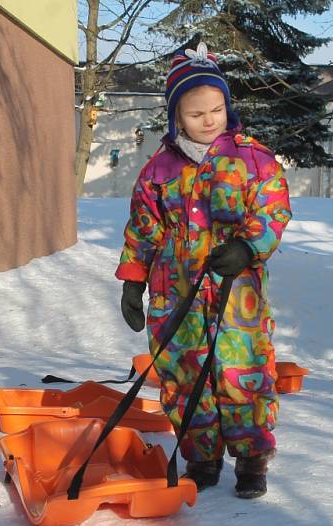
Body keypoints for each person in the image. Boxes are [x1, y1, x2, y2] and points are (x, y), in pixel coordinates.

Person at [116, 42, 291, 499]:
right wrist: (134, 280)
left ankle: (252, 459)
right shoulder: (159, 169)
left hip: (236, 290)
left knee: (242, 369)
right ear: (177, 116)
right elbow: (143, 226)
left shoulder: (253, 159)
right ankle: (202, 454)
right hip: (175, 288)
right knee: (183, 371)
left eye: (216, 108)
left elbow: (272, 210)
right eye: (197, 113)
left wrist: (249, 246)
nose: (210, 119)